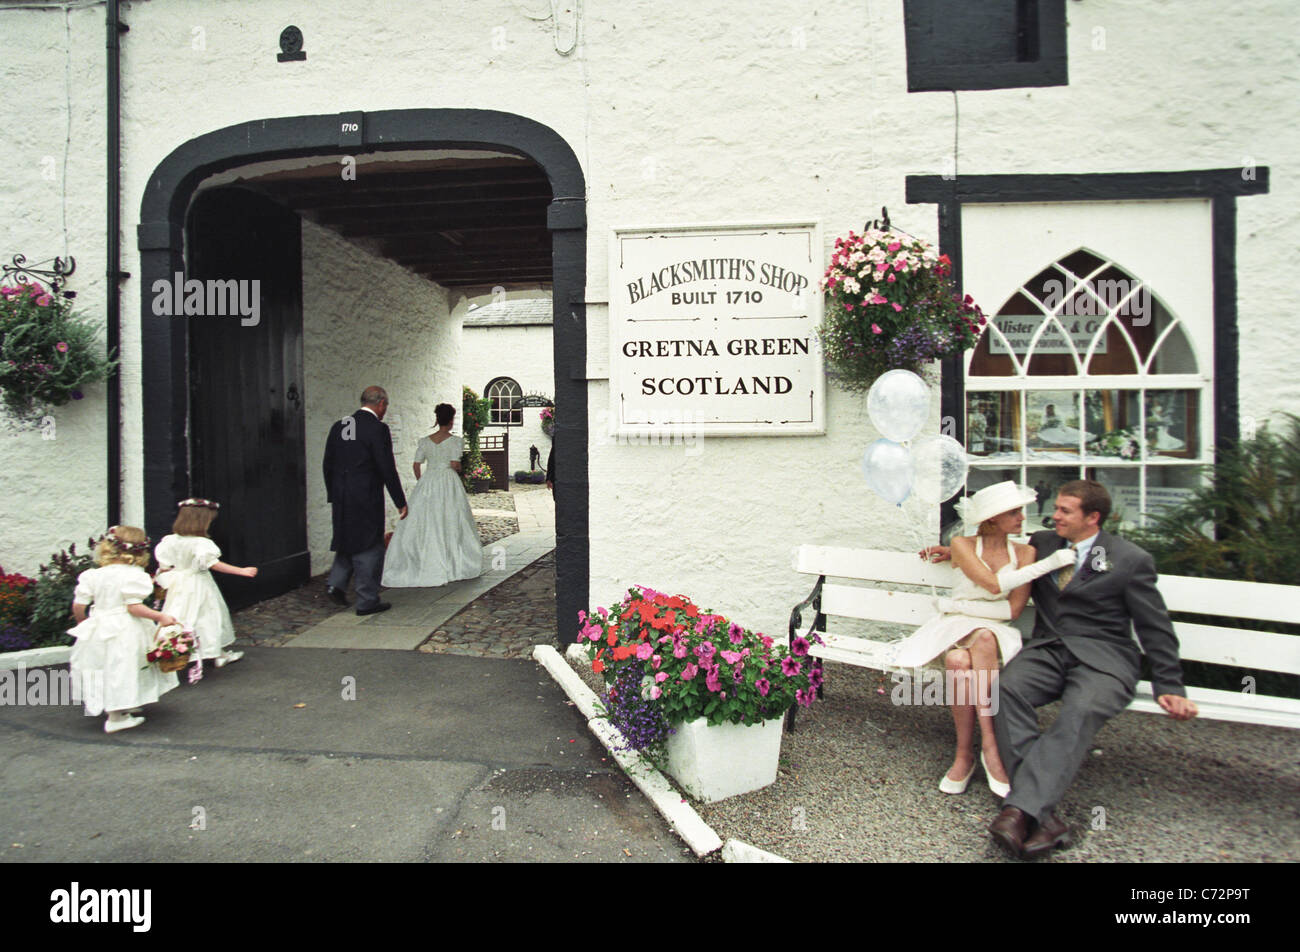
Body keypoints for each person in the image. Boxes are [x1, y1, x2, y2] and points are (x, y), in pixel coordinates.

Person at [926, 479, 1197, 858]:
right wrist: (954, 552)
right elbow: (995, 547)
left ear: (1093, 518)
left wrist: (1170, 684)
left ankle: (1020, 810)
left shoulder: (1130, 559)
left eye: (1065, 511)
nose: (1054, 516)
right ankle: (1046, 818)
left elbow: (1155, 626)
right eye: (1055, 509)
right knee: (1003, 690)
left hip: (1105, 661)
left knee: (1080, 710)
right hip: (1049, 651)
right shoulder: (1045, 543)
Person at [900, 482, 1076, 797]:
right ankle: (987, 750)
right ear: (992, 519)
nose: (1023, 518)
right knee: (960, 653)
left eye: (1021, 511)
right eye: (1014, 512)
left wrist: (954, 604)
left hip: (995, 632)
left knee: (967, 653)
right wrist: (1048, 565)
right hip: (956, 629)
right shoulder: (963, 544)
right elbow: (994, 586)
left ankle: (969, 753)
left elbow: (1012, 608)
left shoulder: (1026, 552)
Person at [67, 526, 181, 733]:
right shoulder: (135, 576)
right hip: (125, 628)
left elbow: (78, 605)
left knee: (104, 666)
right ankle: (117, 717)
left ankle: (122, 703)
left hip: (99, 625)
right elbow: (133, 607)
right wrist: (160, 617)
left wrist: (83, 624)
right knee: (124, 666)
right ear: (140, 551)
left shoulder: (92, 575)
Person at [323, 386, 407, 615]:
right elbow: (386, 467)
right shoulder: (377, 429)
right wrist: (400, 500)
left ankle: (336, 583)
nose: (385, 411)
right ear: (380, 404)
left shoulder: (340, 425)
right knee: (369, 546)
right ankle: (367, 600)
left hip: (342, 496)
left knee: (347, 538)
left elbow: (328, 463)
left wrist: (333, 493)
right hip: (365, 496)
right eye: (385, 406)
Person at [381, 403, 483, 588]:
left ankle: (422, 559)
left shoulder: (425, 441)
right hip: (447, 481)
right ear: (451, 421)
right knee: (450, 517)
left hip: (428, 481)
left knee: (425, 519)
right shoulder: (455, 441)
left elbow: (416, 464)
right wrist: (459, 467)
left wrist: (422, 481)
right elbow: (454, 464)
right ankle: (451, 560)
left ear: (437, 419)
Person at [154, 498, 258, 669]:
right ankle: (214, 652)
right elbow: (212, 564)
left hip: (177, 584)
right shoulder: (202, 543)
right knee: (208, 615)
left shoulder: (169, 541)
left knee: (179, 613)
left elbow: (164, 566)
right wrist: (241, 571)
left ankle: (173, 649)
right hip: (198, 584)